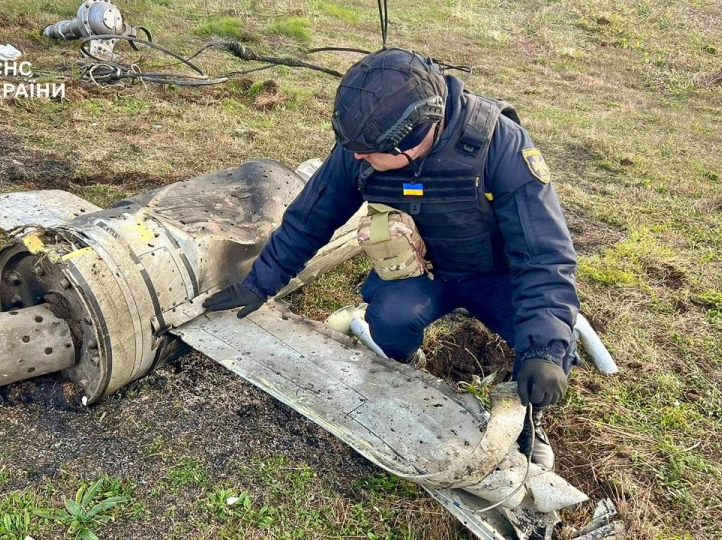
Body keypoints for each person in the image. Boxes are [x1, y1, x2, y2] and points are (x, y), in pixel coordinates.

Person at [203, 48, 580, 469]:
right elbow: (313, 214)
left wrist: (543, 351)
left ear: (419, 134)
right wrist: (260, 282)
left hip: (497, 274)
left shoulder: (499, 146)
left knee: (551, 353)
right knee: (391, 318)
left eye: (369, 154)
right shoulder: (363, 142)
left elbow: (544, 255)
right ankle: (404, 369)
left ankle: (527, 421)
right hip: (423, 270)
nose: (357, 159)